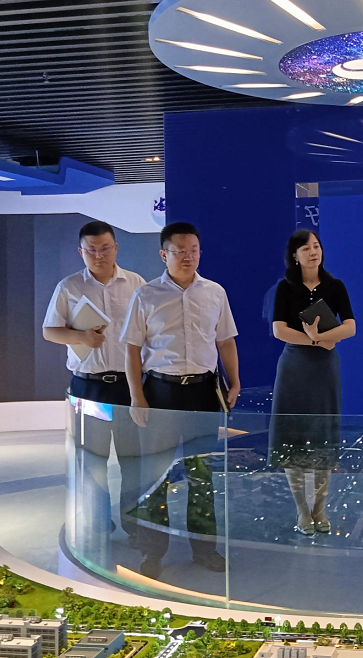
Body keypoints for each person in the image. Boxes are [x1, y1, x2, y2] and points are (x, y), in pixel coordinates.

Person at [121, 221, 241, 579]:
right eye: (180, 251)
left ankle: (205, 549)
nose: (188, 257)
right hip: (161, 392)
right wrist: (136, 396)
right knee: (155, 476)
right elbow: (131, 349)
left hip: (203, 392)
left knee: (202, 474)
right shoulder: (146, 295)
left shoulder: (215, 292)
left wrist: (234, 382)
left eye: (194, 251)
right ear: (164, 254)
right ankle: (152, 551)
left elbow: (225, 341)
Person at [42, 221, 145, 542]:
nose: (99, 255)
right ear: (81, 251)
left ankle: (135, 526)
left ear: (116, 248)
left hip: (129, 386)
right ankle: (99, 528)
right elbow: (49, 331)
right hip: (89, 386)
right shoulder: (69, 287)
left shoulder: (136, 283)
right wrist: (81, 336)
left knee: (133, 461)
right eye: (91, 250)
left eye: (105, 248)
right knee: (92, 462)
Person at [268, 229, 356, 535]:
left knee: (323, 435)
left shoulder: (335, 286)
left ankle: (320, 508)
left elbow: (350, 326)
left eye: (316, 246)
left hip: (324, 367)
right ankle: (302, 510)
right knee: (293, 435)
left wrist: (322, 339)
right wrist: (315, 340)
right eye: (305, 248)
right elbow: (279, 329)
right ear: (295, 255)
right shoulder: (285, 287)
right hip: (294, 365)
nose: (313, 252)